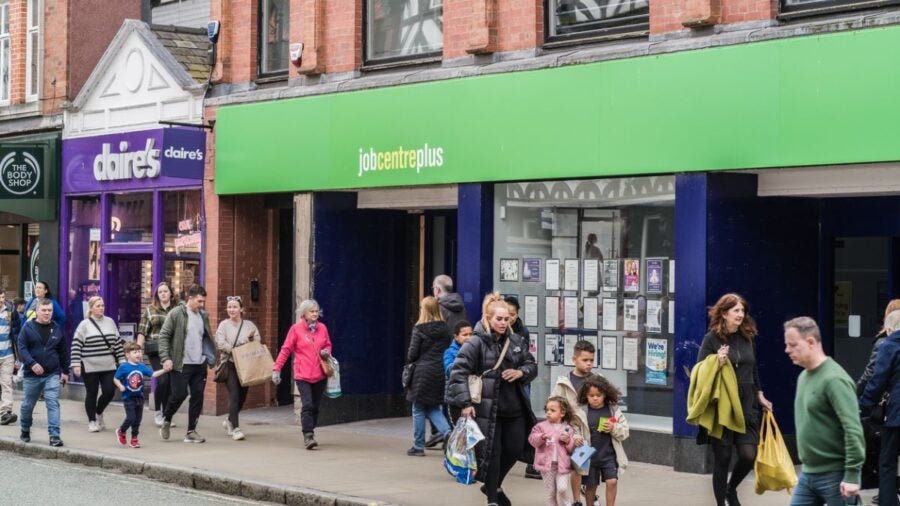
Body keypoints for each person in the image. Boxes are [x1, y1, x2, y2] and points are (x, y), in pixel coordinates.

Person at [447, 292, 537, 506]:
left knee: (515, 449)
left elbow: (531, 364)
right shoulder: (475, 343)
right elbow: (458, 373)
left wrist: (521, 372)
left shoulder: (516, 340)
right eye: (499, 319)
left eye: (507, 319)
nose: (504, 323)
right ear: (488, 318)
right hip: (487, 410)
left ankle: (492, 485)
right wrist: (465, 404)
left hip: (514, 407)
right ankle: (493, 499)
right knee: (493, 454)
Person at [696, 293, 773, 506]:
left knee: (749, 455)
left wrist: (760, 394)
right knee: (722, 459)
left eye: (742, 311)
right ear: (724, 313)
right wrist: (716, 362)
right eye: (736, 310)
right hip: (723, 406)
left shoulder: (748, 336)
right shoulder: (711, 338)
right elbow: (699, 370)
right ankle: (721, 503)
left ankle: (731, 489)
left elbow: (753, 368)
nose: (741, 315)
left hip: (746, 404)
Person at [786, 316, 864, 505]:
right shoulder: (804, 377)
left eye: (793, 344)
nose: (787, 350)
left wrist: (852, 475)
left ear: (811, 342)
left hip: (835, 475)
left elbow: (853, 429)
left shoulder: (835, 380)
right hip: (808, 474)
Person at [158, 284, 216, 444]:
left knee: (197, 396)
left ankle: (191, 431)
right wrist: (166, 358)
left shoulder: (203, 316)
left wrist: (210, 357)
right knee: (179, 394)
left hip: (199, 363)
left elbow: (206, 338)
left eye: (203, 301)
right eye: (199, 301)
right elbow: (163, 336)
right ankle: (167, 419)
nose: (202, 304)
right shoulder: (176, 313)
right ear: (190, 298)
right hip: (181, 363)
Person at [272, 299, 333, 450]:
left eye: (316, 311)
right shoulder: (296, 329)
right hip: (302, 374)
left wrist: (326, 351)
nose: (315, 314)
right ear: (304, 313)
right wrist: (277, 368)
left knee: (316, 407)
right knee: (307, 404)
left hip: (319, 373)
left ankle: (311, 429)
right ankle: (308, 435)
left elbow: (327, 344)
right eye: (312, 311)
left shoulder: (322, 328)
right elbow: (286, 349)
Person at [860, 309, 900, 506]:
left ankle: (888, 501)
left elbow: (878, 381)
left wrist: (862, 406)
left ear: (890, 328)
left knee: (887, 462)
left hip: (896, 414)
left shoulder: (889, 345)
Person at [17, 298, 70, 446]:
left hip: (51, 373)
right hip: (31, 375)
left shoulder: (57, 328)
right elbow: (21, 348)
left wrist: (65, 371)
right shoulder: (28, 328)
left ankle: (54, 436)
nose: (47, 313)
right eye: (44, 310)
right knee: (28, 404)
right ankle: (25, 429)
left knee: (53, 403)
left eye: (49, 310)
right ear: (37, 311)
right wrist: (32, 363)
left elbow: (63, 351)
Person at [405, 296, 453, 456]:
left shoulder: (419, 329)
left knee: (418, 408)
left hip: (422, 372)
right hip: (439, 371)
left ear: (424, 310)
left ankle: (418, 446)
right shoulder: (446, 329)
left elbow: (412, 354)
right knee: (433, 406)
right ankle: (447, 433)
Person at [71, 296, 125, 433]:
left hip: (108, 365)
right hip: (89, 365)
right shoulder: (84, 325)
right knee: (92, 393)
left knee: (109, 391)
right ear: (91, 308)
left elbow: (117, 343)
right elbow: (76, 345)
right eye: (98, 306)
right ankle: (92, 421)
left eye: (102, 305)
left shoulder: (110, 322)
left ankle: (99, 412)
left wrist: (122, 361)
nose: (101, 308)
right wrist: (76, 364)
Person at [551, 340, 594, 506]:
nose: (589, 363)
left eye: (591, 360)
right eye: (585, 360)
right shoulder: (564, 382)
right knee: (578, 466)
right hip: (575, 430)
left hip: (593, 428)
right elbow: (553, 402)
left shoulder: (597, 380)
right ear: (574, 359)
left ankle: (590, 494)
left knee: (591, 468)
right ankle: (577, 500)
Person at [215, 295, 260, 441]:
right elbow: (220, 343)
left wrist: (251, 340)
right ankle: (235, 428)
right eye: (229, 307)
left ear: (241, 309)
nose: (231, 309)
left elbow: (257, 341)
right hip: (230, 364)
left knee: (242, 396)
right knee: (234, 394)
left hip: (245, 365)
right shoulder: (224, 325)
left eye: (234, 307)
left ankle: (229, 420)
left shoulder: (249, 325)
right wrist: (235, 350)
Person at [579, 374, 629, 506]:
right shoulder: (582, 411)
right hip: (589, 457)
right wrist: (575, 438)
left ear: (605, 394)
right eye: (591, 395)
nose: (595, 398)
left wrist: (614, 427)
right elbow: (574, 429)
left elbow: (625, 431)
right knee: (590, 486)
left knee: (612, 481)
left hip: (609, 456)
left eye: (598, 395)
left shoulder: (613, 410)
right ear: (586, 395)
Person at [137, 282, 177, 427]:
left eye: (165, 291)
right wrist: (138, 350)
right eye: (160, 292)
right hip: (155, 349)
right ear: (157, 295)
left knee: (171, 384)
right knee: (163, 381)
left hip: (173, 350)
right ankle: (158, 412)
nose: (163, 294)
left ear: (171, 293)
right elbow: (142, 331)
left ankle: (167, 414)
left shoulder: (177, 310)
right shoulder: (150, 310)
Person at [113, 342, 166, 448]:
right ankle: (121, 431)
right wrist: (120, 386)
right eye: (135, 352)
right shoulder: (124, 367)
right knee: (131, 418)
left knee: (137, 420)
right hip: (128, 397)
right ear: (127, 354)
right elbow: (115, 378)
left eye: (140, 352)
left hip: (139, 397)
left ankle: (134, 439)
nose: (138, 354)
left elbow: (153, 374)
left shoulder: (142, 366)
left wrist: (164, 370)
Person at [528, 396, 577, 506]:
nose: (548, 413)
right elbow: (532, 441)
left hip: (562, 465)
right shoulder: (540, 426)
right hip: (546, 466)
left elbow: (571, 448)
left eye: (552, 410)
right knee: (550, 492)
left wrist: (568, 441)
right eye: (547, 410)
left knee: (562, 488)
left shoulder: (568, 428)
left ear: (562, 413)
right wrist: (541, 437)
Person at [0, 290, 17, 425]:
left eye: (3, 298)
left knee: (7, 383)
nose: (1, 301)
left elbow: (17, 330)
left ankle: (6, 412)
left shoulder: (10, 310)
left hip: (7, 354)